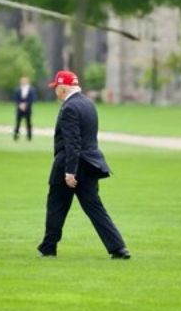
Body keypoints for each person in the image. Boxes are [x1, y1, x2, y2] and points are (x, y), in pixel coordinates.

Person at [37, 69, 130, 260]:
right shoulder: (88, 103)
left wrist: (70, 172)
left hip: (70, 164)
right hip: (90, 164)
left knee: (56, 206)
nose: (55, 91)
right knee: (95, 208)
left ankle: (48, 247)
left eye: (56, 87)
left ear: (63, 88)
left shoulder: (69, 108)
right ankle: (118, 247)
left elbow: (73, 143)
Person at [12, 76, 35, 142]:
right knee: (18, 123)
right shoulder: (17, 89)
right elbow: (16, 98)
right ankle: (16, 135)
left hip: (28, 109)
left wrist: (26, 105)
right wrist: (20, 104)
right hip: (19, 109)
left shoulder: (31, 89)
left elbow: (32, 99)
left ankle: (29, 137)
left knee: (28, 123)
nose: (23, 82)